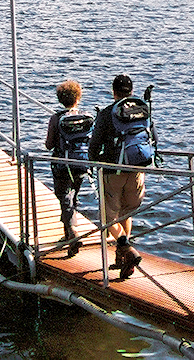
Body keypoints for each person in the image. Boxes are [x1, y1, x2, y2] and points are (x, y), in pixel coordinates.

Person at [87, 74, 147, 280]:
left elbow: (94, 144)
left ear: (113, 92)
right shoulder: (141, 110)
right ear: (131, 91)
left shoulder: (107, 113)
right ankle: (121, 257)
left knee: (107, 216)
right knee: (125, 212)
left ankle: (126, 249)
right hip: (137, 169)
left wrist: (93, 161)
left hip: (113, 170)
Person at [44, 79, 91, 256]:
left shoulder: (56, 118)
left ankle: (72, 234)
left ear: (60, 99)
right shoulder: (85, 117)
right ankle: (68, 234)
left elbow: (49, 145)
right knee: (73, 196)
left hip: (62, 164)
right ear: (78, 98)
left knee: (64, 196)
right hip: (81, 163)